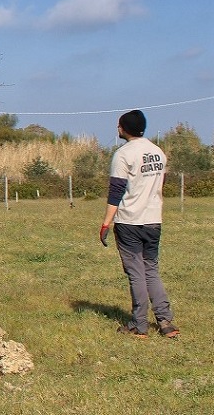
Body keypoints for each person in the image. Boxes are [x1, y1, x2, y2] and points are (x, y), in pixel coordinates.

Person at [100, 109, 179, 339]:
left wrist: (106, 223)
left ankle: (139, 324)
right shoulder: (158, 152)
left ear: (125, 129)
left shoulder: (123, 155)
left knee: (136, 273)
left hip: (129, 222)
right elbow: (158, 184)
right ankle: (165, 322)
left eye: (119, 126)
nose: (117, 129)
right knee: (151, 269)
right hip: (154, 220)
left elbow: (116, 192)